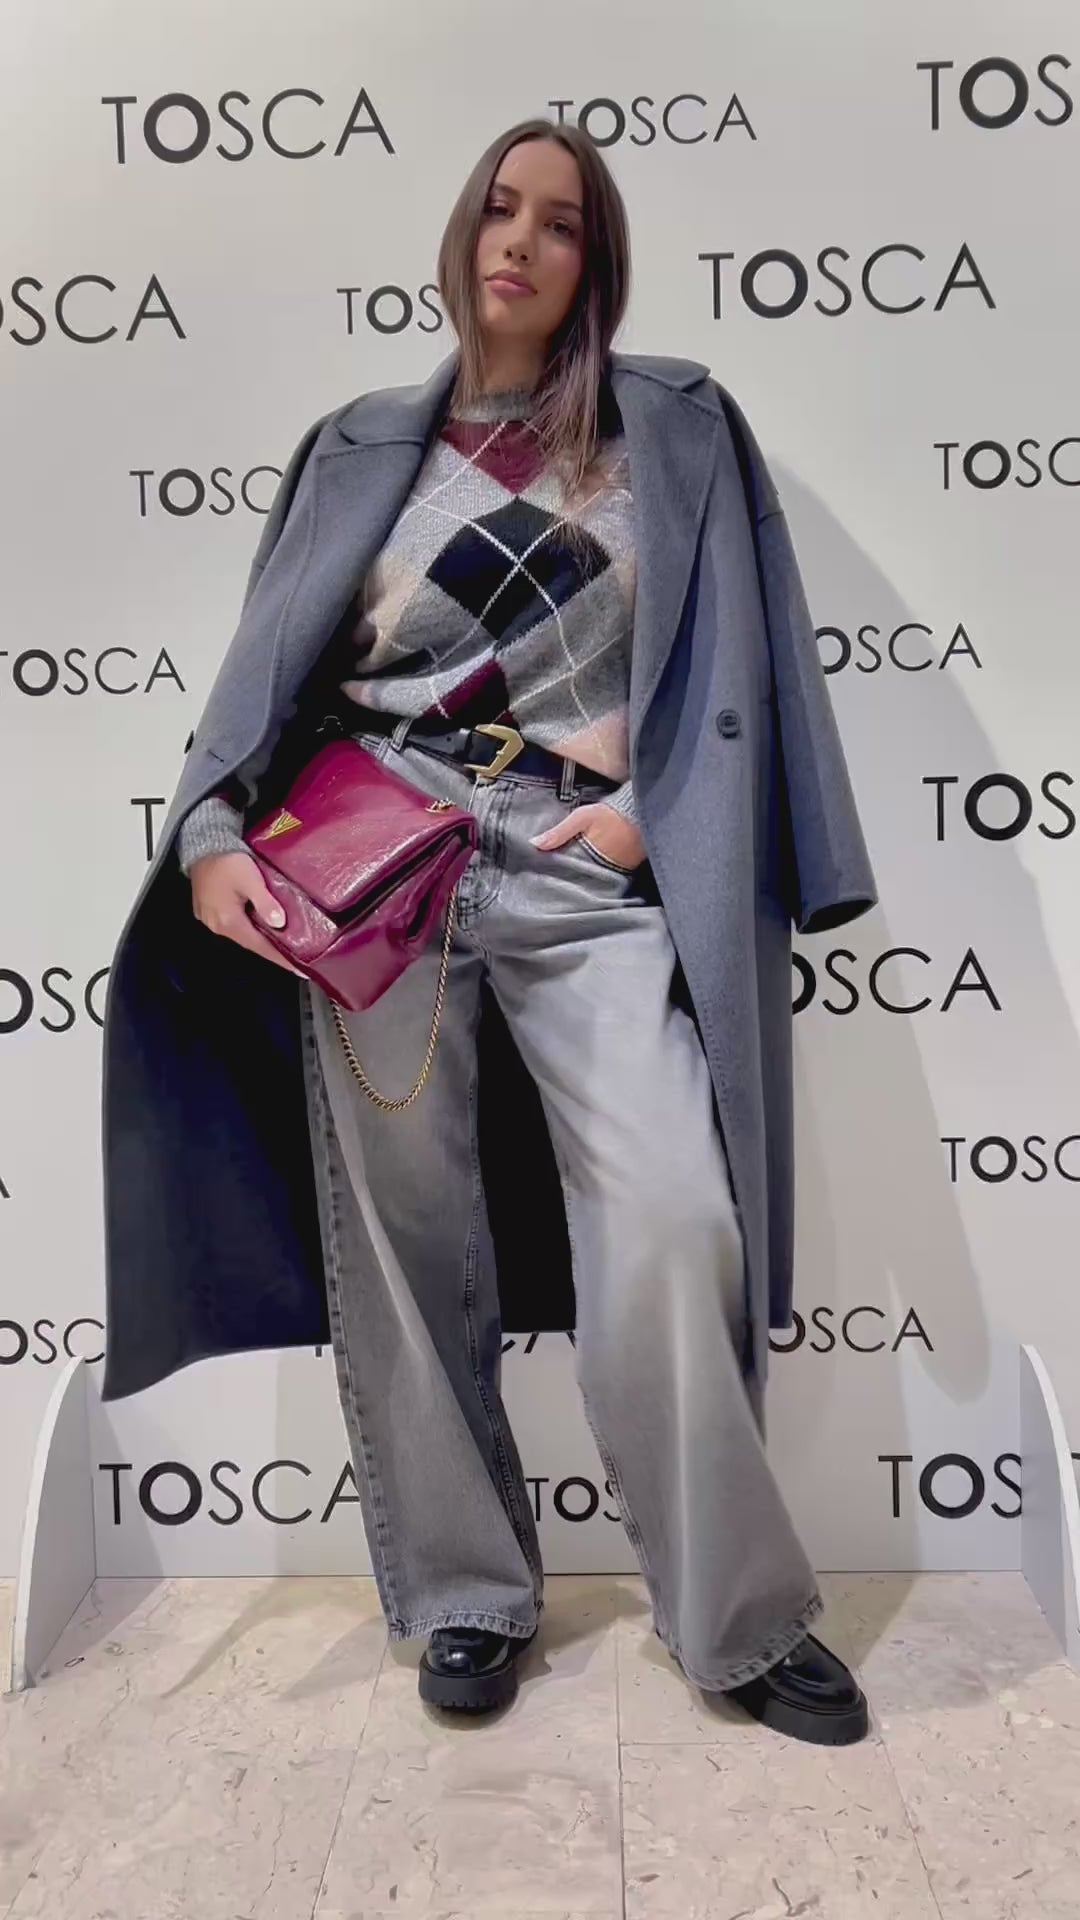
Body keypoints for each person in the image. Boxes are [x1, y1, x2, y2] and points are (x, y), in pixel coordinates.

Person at [100, 116, 879, 1740]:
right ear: (461, 233)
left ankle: (736, 1616)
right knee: (404, 1238)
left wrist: (656, 811)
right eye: (501, 209)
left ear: (597, 264)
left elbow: (744, 652)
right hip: (381, 867)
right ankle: (467, 1592)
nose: (522, 240)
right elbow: (266, 670)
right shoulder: (356, 445)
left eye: (563, 222)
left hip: (584, 864)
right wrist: (212, 833)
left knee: (671, 1212)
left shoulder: (674, 426)